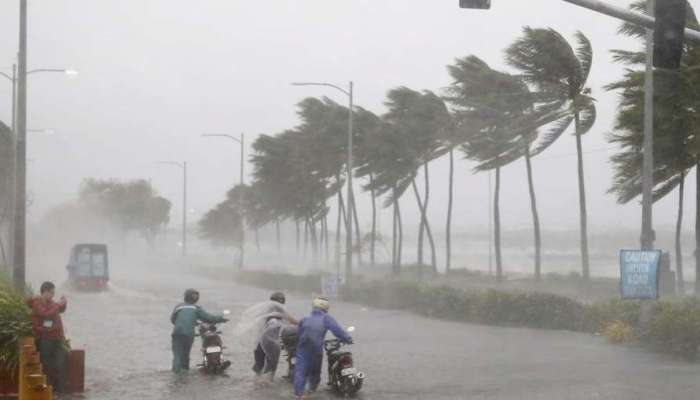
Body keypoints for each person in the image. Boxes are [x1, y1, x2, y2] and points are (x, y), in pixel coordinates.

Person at [293, 296, 352, 399]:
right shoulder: (326, 318)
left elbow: (299, 332)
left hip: (302, 348)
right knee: (315, 372)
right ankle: (311, 392)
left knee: (300, 371)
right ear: (326, 307)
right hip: (316, 349)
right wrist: (348, 339)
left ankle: (299, 395)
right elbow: (338, 331)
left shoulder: (305, 317)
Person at [170, 288, 228, 372]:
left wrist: (187, 323)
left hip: (177, 333)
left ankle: (176, 372)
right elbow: (209, 318)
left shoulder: (179, 306)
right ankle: (184, 372)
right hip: (188, 334)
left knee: (177, 354)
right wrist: (221, 319)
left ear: (185, 297)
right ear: (196, 299)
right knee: (185, 354)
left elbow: (172, 319)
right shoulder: (195, 308)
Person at [29, 281, 68, 392]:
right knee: (47, 365)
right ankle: (48, 390)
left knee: (60, 363)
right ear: (44, 292)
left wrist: (64, 303)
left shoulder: (51, 302)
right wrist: (58, 304)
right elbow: (47, 314)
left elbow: (60, 309)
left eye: (53, 293)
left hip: (57, 337)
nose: (53, 295)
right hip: (45, 338)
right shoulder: (37, 303)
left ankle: (60, 390)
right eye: (51, 292)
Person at [252, 292, 297, 383]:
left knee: (259, 364)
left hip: (260, 341)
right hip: (271, 341)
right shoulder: (279, 310)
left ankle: (256, 383)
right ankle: (267, 384)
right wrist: (303, 323)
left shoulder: (265, 310)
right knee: (271, 365)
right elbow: (291, 320)